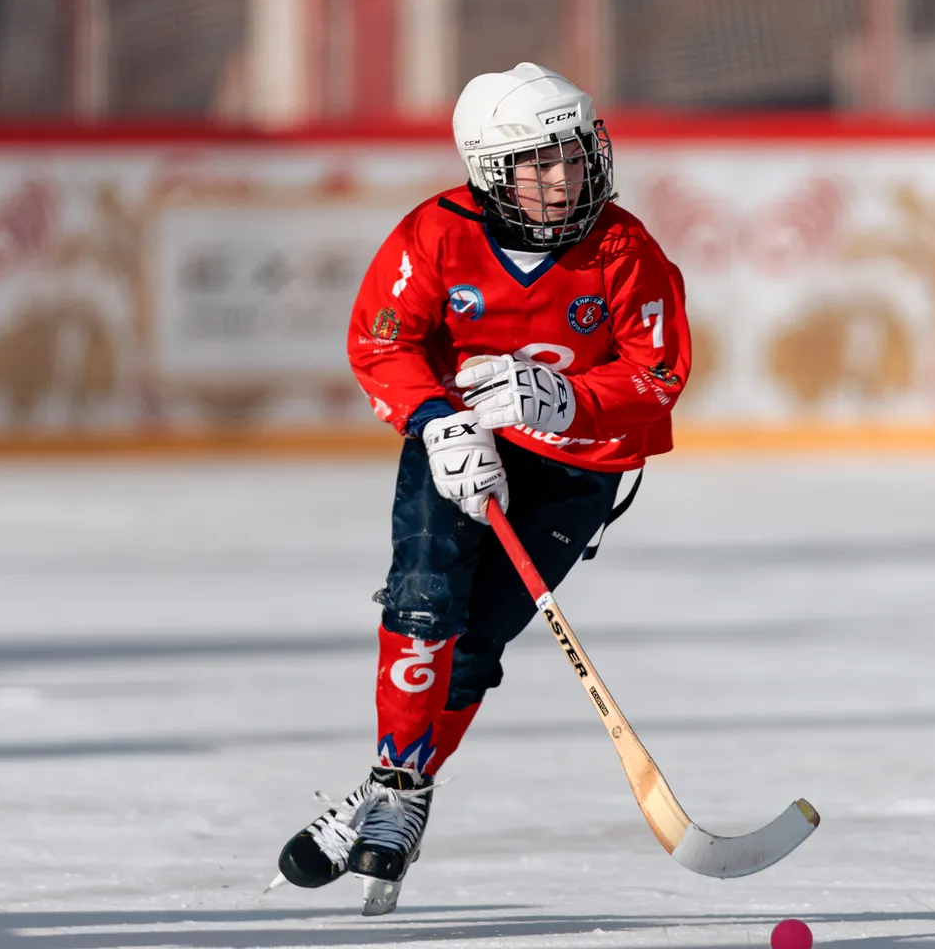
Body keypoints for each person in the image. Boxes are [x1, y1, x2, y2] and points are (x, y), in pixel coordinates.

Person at [270, 63, 690, 914]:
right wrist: (436, 421)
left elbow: (658, 375)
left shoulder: (623, 250)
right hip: (462, 446)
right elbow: (382, 343)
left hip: (579, 467)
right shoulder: (434, 236)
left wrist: (567, 398)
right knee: (424, 599)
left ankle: (393, 790)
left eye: (575, 154)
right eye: (540, 162)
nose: (566, 176)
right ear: (492, 172)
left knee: (473, 647)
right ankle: (400, 786)